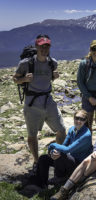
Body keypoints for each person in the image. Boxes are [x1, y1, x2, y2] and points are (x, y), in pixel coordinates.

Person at [12, 34, 66, 170]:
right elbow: (15, 79)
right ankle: (36, 161)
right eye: (41, 46)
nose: (44, 49)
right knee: (32, 135)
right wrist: (24, 79)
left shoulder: (52, 63)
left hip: (48, 101)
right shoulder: (26, 64)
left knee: (61, 130)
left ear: (49, 47)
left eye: (47, 46)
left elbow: (48, 79)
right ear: (36, 46)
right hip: (32, 104)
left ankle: (58, 156)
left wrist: (54, 77)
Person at [27, 110, 92, 189]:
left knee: (62, 154)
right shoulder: (72, 129)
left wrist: (52, 145)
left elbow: (68, 149)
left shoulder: (86, 134)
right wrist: (54, 152)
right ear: (74, 118)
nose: (78, 121)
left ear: (85, 121)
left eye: (82, 119)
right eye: (77, 118)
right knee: (43, 158)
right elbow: (64, 145)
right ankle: (42, 185)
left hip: (78, 165)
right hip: (69, 159)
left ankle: (59, 177)